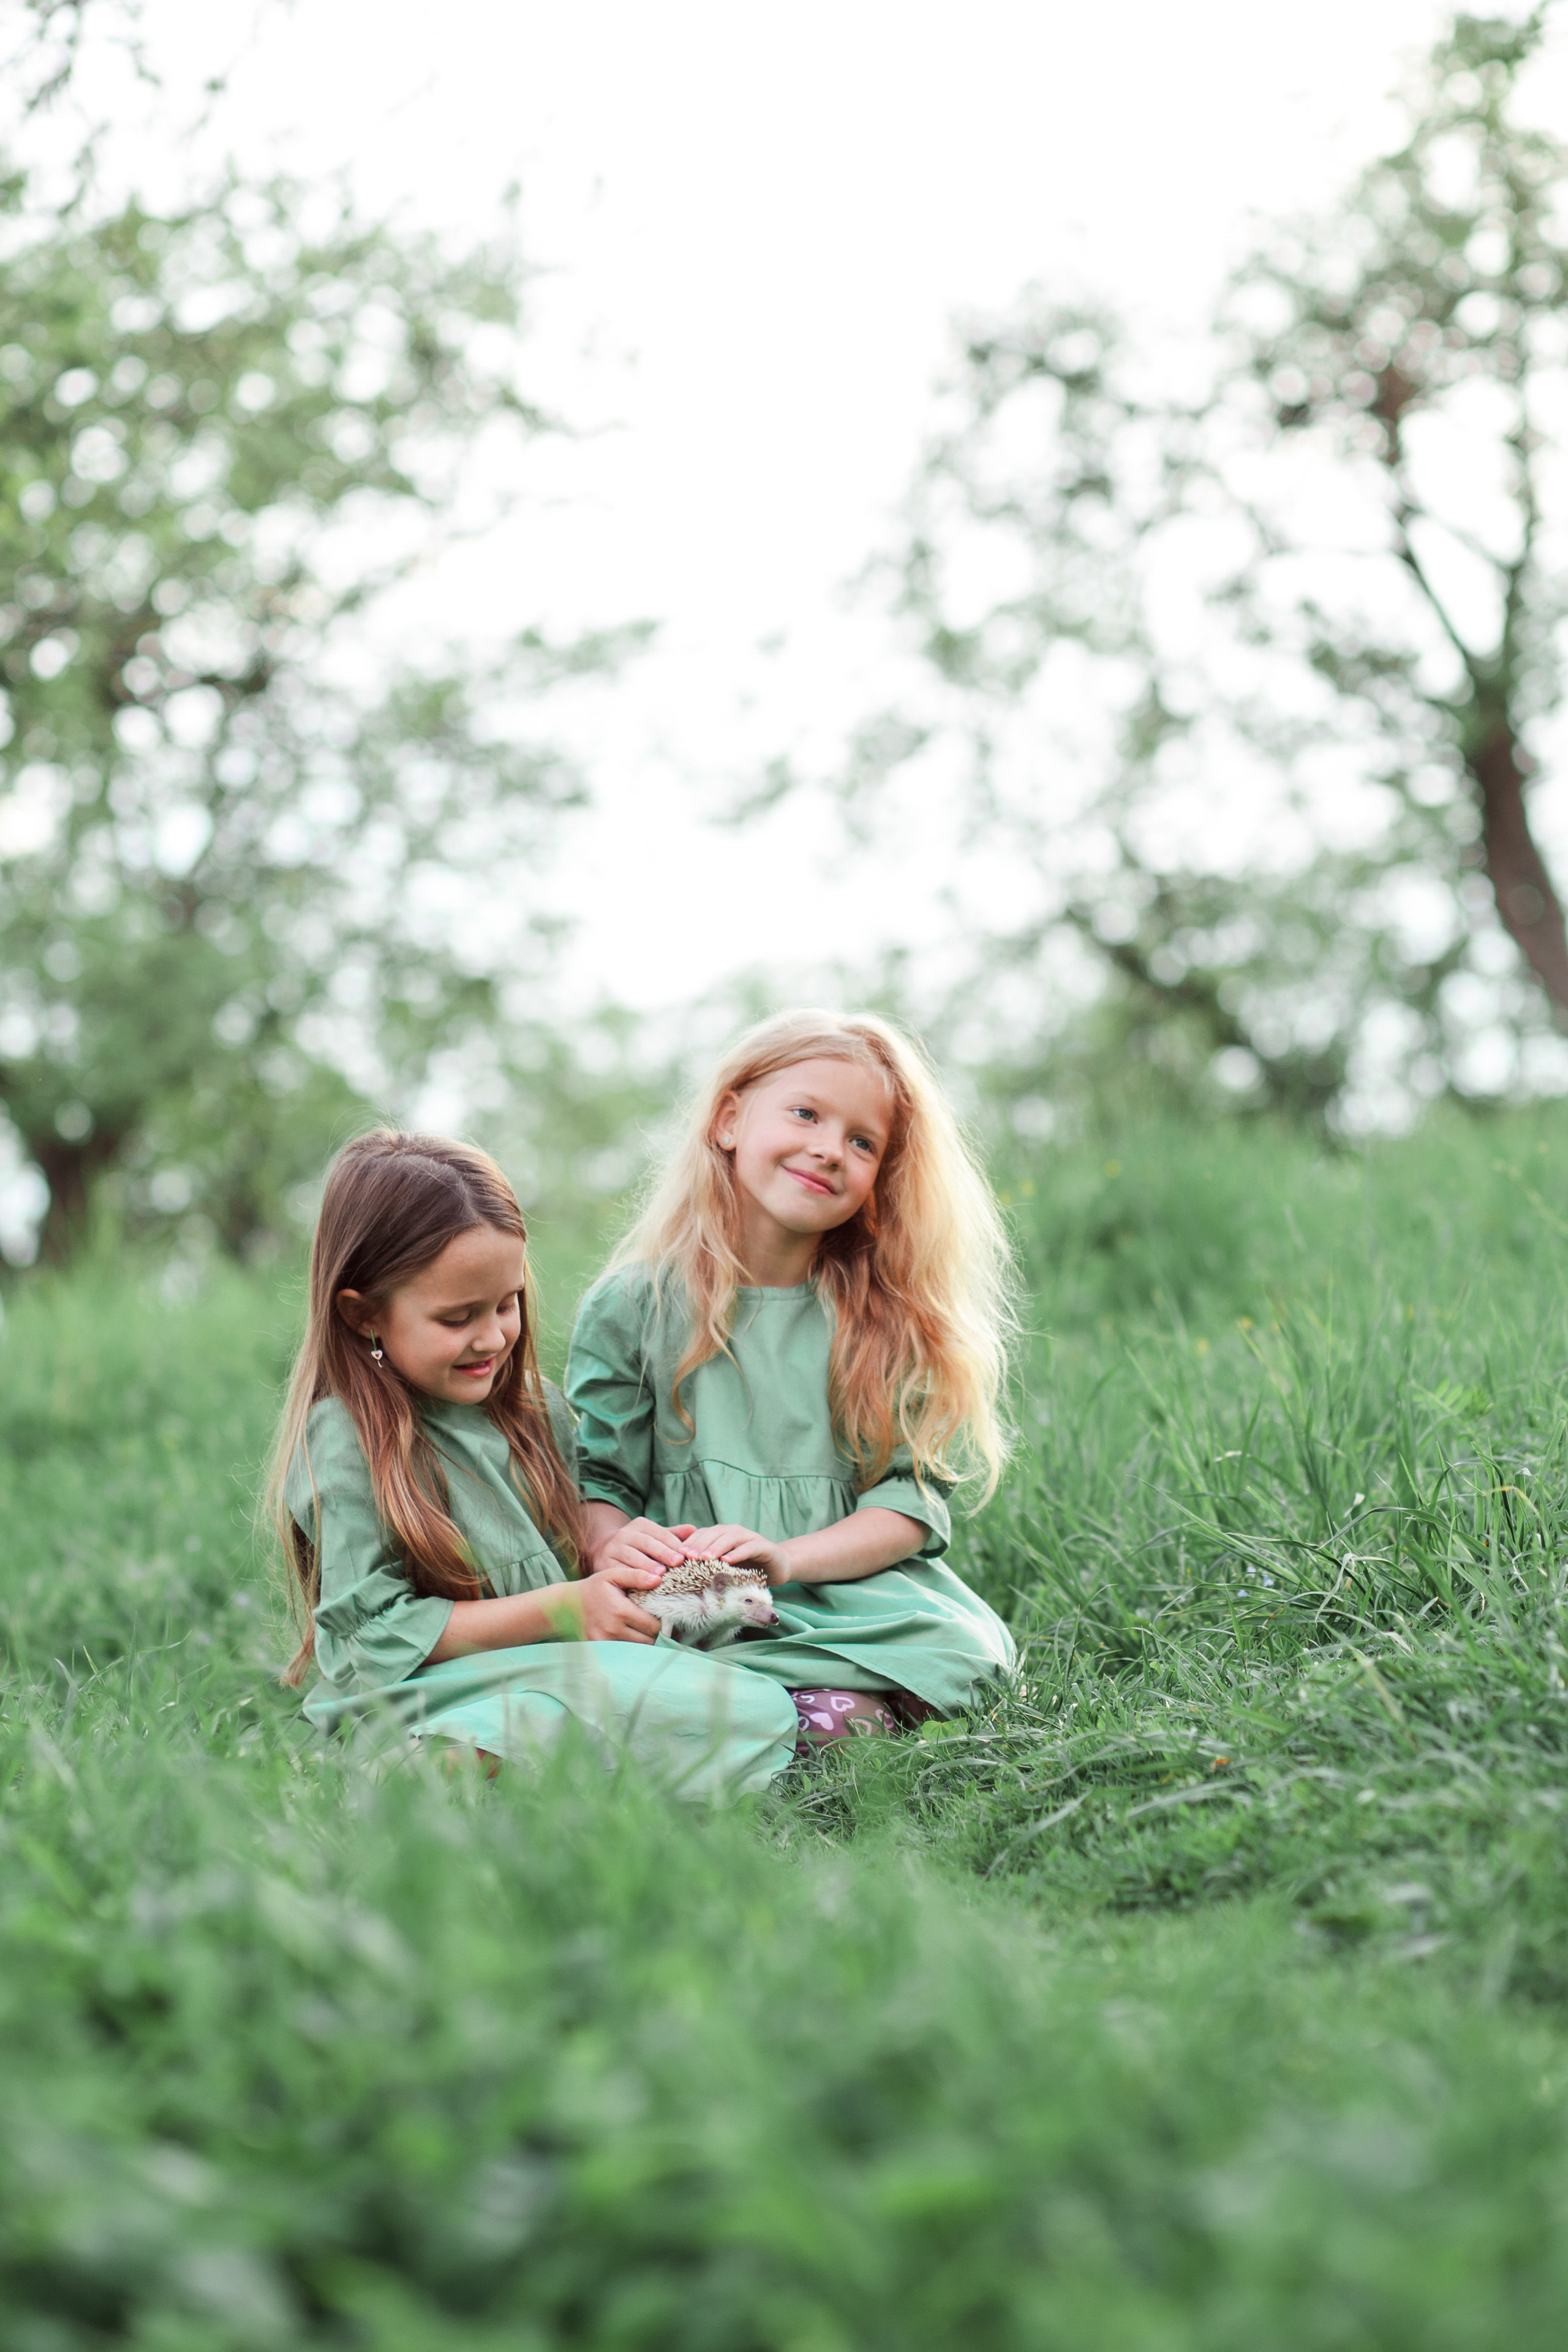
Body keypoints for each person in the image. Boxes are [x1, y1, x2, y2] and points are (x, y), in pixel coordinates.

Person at [265, 1131, 799, 1796]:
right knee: (685, 1712)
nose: (491, 1337)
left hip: (547, 1673)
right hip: (421, 1693)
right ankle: (427, 1765)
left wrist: (620, 1555)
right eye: (457, 1318)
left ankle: (511, 1767)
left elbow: (569, 1556)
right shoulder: (346, 1437)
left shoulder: (530, 1410)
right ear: (365, 1314)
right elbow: (373, 1635)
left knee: (752, 1704)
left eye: (505, 1303)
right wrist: (564, 1611)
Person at [566, 1011, 1016, 1746]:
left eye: (861, 1141)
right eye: (806, 1113)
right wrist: (615, 1547)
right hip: (703, 1590)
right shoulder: (631, 1307)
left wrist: (785, 1559)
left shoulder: (884, 1319)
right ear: (729, 1120)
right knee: (652, 1629)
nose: (828, 1149)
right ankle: (805, 1718)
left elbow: (905, 1508)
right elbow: (600, 1481)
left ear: (882, 1178)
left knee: (965, 1656)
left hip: (847, 1592)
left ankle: (814, 1715)